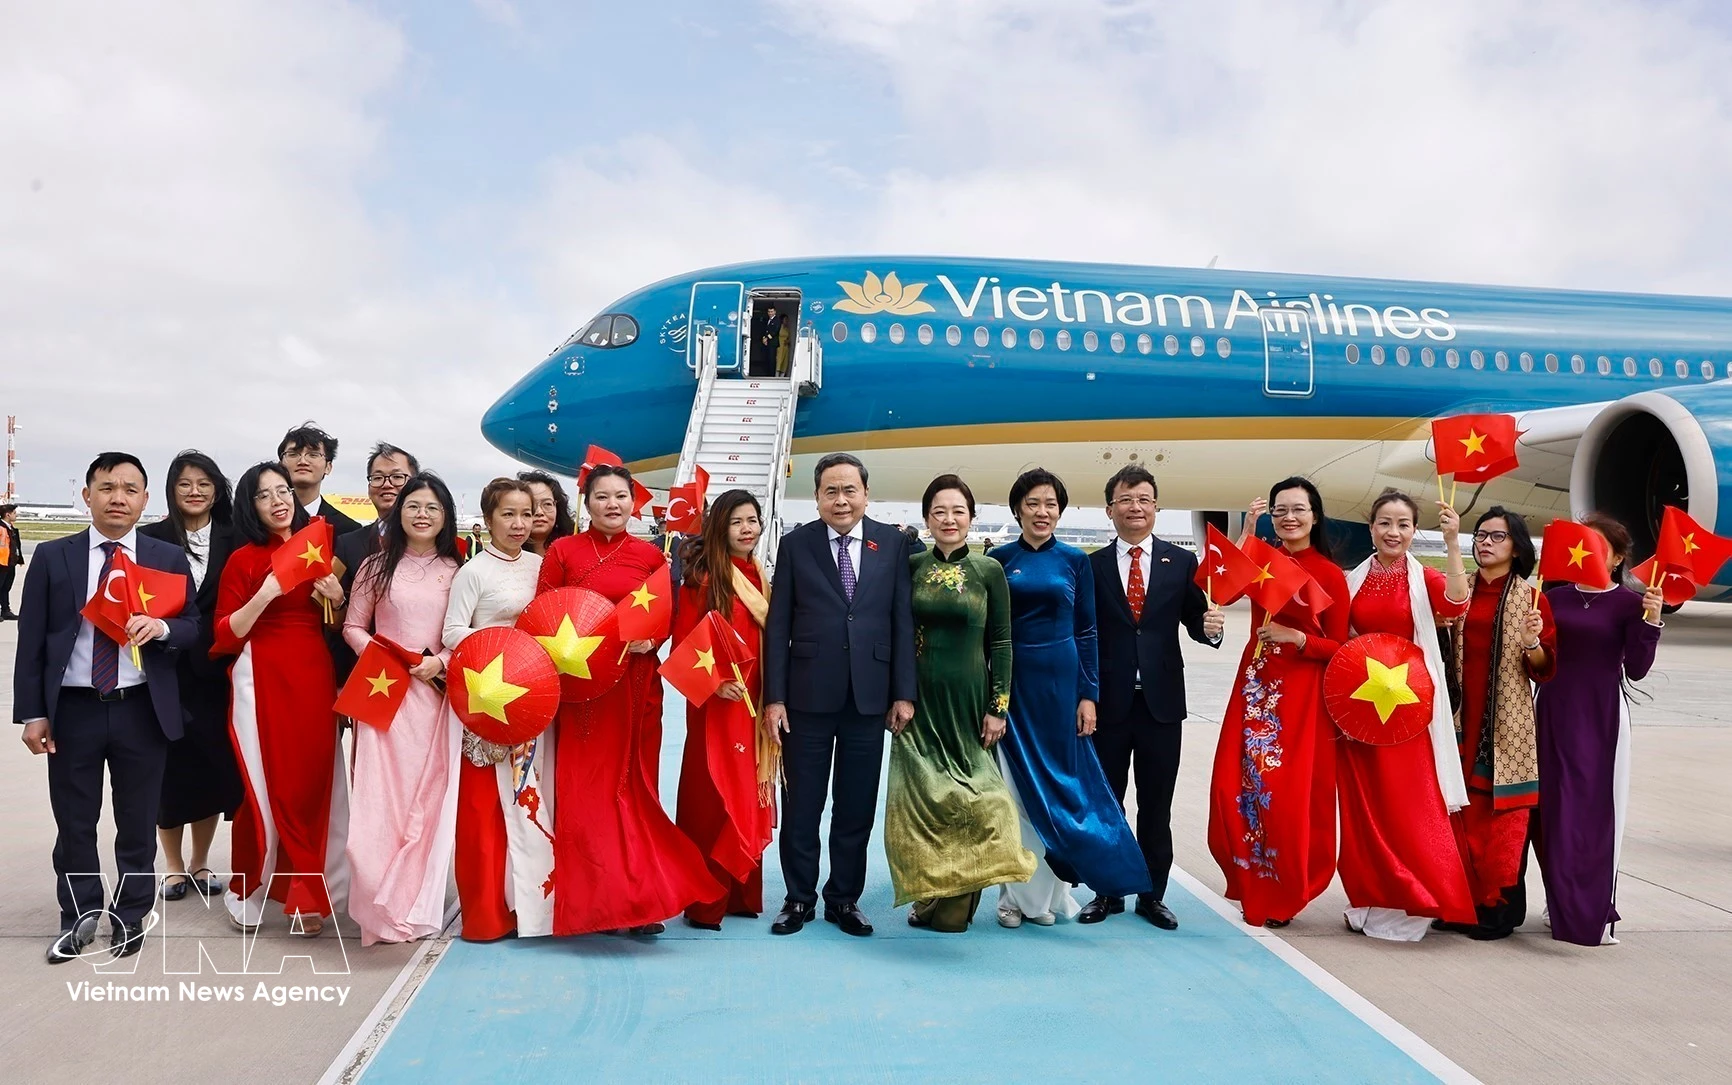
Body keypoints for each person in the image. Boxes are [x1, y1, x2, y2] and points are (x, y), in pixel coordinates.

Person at [15, 453, 199, 963]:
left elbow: (193, 625)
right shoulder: (55, 558)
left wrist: (162, 628)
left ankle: (130, 914)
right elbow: (31, 641)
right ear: (88, 495)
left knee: (137, 820)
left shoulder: (165, 557)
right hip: (73, 709)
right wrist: (33, 712)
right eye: (107, 487)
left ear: (144, 499)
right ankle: (78, 915)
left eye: (129, 489)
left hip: (141, 707)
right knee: (74, 820)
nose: (118, 497)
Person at [537, 463, 718, 935]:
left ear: (634, 502)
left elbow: (667, 613)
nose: (612, 505)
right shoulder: (562, 551)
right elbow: (542, 615)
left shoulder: (651, 555)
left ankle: (641, 898)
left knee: (635, 788)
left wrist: (651, 637)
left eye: (621, 496)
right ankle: (597, 900)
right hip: (582, 690)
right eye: (602, 497)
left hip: (637, 685)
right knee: (585, 792)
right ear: (586, 502)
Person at [763, 453, 916, 937]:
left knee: (855, 806)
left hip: (869, 699)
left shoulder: (891, 543)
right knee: (802, 804)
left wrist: (903, 693)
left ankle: (843, 899)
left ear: (866, 494)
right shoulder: (795, 544)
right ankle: (799, 898)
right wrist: (775, 697)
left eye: (850, 490)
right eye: (831, 490)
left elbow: (900, 620)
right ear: (816, 497)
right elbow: (779, 626)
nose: (841, 499)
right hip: (806, 698)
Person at [990, 468, 1150, 928]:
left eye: (1051, 505)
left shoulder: (1075, 561)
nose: (1043, 512)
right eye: (1034, 504)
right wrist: (994, 695)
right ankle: (1011, 899)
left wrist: (1088, 696)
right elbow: (993, 633)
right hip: (1016, 688)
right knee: (1015, 794)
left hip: (1062, 690)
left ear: (1060, 511)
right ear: (1018, 508)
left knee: (1064, 792)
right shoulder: (999, 559)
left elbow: (1087, 631)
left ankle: (1050, 899)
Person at [885, 475, 1034, 932]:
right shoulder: (909, 567)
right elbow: (892, 635)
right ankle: (927, 895)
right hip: (917, 704)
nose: (949, 520)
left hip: (971, 704)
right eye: (939, 512)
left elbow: (1003, 642)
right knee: (921, 803)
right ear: (926, 518)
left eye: (958, 512)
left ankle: (957, 903)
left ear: (972, 517)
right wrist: (897, 694)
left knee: (985, 801)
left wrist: (999, 706)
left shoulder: (988, 570)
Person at [1082, 465, 1224, 930]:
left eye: (1144, 499)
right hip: (1109, 705)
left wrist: (1211, 630)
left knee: (1156, 803)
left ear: (1157, 508)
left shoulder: (1181, 563)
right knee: (1108, 803)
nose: (1135, 507)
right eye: (1125, 499)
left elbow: (1194, 620)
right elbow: (1083, 635)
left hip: (1161, 705)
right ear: (1110, 510)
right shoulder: (1092, 566)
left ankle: (1152, 895)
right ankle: (1107, 892)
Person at [212, 462, 349, 937]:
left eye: (283, 490)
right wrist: (266, 594)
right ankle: (245, 886)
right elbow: (224, 634)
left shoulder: (316, 545)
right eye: (264, 494)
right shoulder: (243, 560)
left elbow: (333, 624)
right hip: (261, 675)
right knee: (264, 784)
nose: (278, 500)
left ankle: (307, 889)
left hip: (313, 673)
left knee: (313, 783)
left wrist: (336, 597)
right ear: (249, 507)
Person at [1207, 476, 1349, 928]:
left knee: (1285, 797)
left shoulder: (1329, 573)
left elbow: (1343, 649)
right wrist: (1247, 531)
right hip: (1255, 687)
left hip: (1301, 697)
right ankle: (1251, 875)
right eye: (1280, 509)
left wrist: (1299, 637)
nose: (1289, 517)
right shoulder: (1263, 559)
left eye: (1298, 509)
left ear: (1315, 516)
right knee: (1236, 786)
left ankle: (1285, 887)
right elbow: (1219, 585)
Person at [1337, 489, 1476, 941]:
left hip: (1409, 711)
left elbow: (1456, 605)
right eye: (1384, 523)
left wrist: (1455, 543)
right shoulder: (1351, 580)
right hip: (1362, 708)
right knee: (1366, 806)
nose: (1393, 532)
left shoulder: (1426, 579)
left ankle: (1417, 898)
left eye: (1403, 524)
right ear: (1371, 527)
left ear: (1415, 531)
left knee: (1409, 804)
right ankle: (1372, 896)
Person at [343, 473, 463, 945]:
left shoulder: (458, 571)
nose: (421, 514)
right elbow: (353, 625)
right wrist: (382, 657)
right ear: (399, 512)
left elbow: (467, 632)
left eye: (433, 507)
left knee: (429, 803)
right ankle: (377, 900)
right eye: (413, 505)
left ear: (445, 517)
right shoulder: (374, 567)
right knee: (377, 803)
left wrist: (441, 662)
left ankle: (416, 904)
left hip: (435, 698)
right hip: (383, 695)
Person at [1536, 513, 1660, 947]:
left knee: (1590, 815)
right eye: (1580, 541)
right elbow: (1535, 662)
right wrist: (1532, 639)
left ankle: (1589, 910)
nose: (1584, 550)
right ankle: (1560, 899)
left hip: (1600, 719)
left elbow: (1639, 670)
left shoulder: (1629, 604)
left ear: (1618, 557)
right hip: (1550, 711)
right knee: (1550, 814)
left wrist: (1651, 623)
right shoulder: (1554, 597)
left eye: (1597, 545)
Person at [442, 478, 553, 942]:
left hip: (535, 702)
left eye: (526, 514)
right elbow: (450, 632)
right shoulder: (473, 572)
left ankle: (533, 911)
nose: (519, 524)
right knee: (483, 808)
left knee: (531, 803)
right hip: (488, 702)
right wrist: (504, 647)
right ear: (488, 519)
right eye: (508, 514)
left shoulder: (542, 566)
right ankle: (486, 914)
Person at [1440, 506, 1557, 941]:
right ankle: (1459, 904)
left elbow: (1544, 669)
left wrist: (1532, 643)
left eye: (1497, 536)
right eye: (1481, 535)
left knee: (1500, 820)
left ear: (1517, 547)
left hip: (1506, 726)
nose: (1485, 543)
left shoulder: (1531, 598)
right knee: (1460, 815)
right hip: (1457, 717)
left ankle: (1498, 910)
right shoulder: (1459, 590)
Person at [139, 451, 244, 902]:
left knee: (211, 770)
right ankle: (174, 866)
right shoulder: (149, 540)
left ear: (217, 489)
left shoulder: (235, 538)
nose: (195, 491)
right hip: (165, 672)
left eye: (204, 483)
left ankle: (201, 863)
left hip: (218, 673)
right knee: (169, 771)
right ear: (171, 489)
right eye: (185, 483)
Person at [672, 489, 779, 930]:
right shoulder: (702, 577)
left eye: (752, 520)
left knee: (751, 787)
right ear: (720, 526)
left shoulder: (760, 574)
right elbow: (682, 645)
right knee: (712, 792)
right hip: (718, 701)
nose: (747, 529)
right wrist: (716, 685)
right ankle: (706, 898)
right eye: (737, 521)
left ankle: (739, 892)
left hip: (755, 700)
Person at [332, 443, 420, 687]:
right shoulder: (348, 545)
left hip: (424, 671)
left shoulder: (441, 546)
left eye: (397, 477)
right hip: (369, 677)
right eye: (378, 478)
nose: (387, 484)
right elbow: (335, 621)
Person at [277, 422, 362, 535]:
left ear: (328, 467)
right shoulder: (258, 522)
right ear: (280, 464)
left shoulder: (348, 530)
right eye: (293, 454)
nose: (303, 461)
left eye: (313, 455)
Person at [517, 469, 574, 556]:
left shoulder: (574, 549)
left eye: (547, 504)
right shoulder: (508, 553)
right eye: (531, 504)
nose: (539, 512)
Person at [0, 502, 21, 620]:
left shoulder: (10, 528)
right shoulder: (1, 528)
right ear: (7, 515)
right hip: (1, 562)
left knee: (6, 587)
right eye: (14, 513)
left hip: (9, 562)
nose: (16, 515)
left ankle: (5, 610)